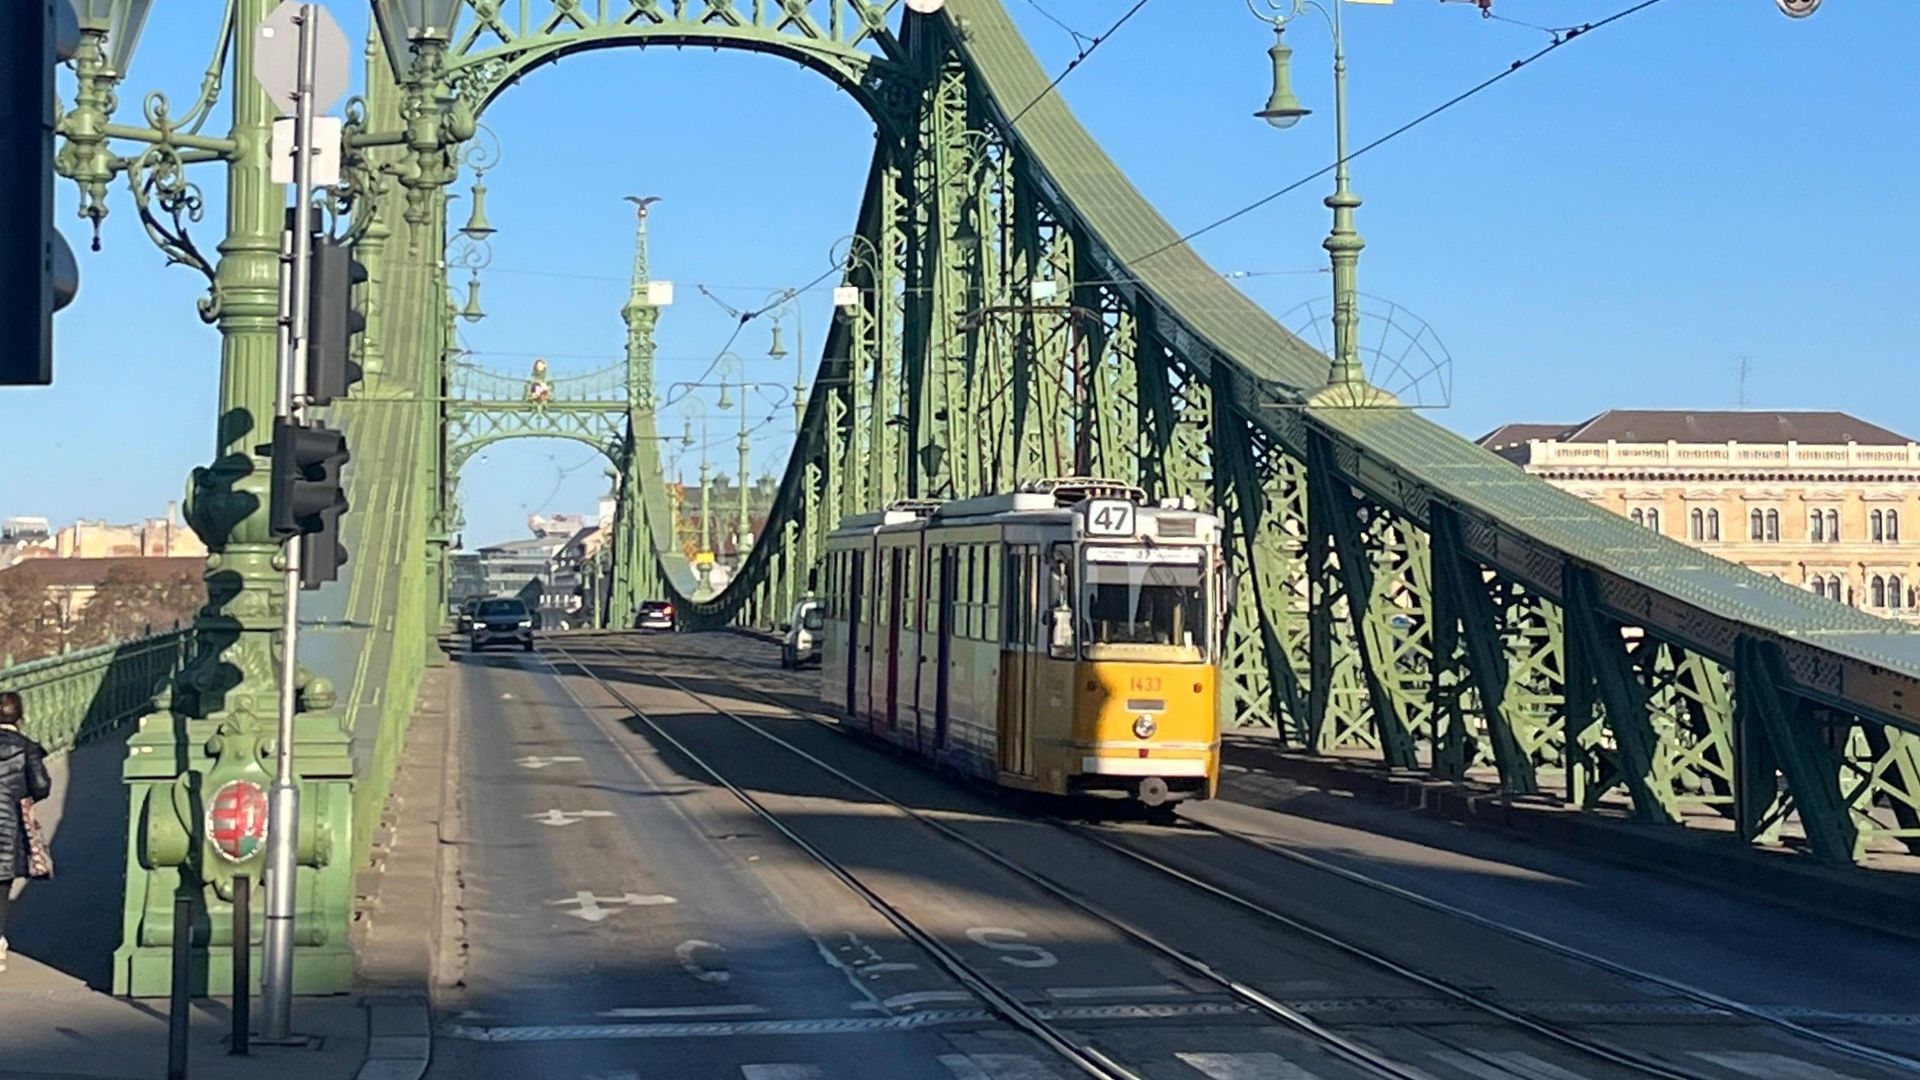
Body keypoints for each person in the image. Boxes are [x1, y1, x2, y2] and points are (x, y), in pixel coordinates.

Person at [0, 691, 53, 972]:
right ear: (20, 717)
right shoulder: (27, 748)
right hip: (9, 825)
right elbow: (42, 786)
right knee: (2, 885)